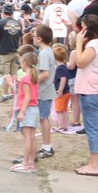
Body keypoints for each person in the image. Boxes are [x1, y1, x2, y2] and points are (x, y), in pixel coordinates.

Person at [73, 14, 98, 177]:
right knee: (91, 128)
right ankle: (92, 162)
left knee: (92, 129)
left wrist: (78, 44)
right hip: (94, 89)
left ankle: (94, 165)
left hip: (91, 90)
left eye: (82, 27)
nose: (80, 31)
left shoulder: (94, 44)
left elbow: (80, 62)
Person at [9, 49, 40, 173]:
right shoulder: (33, 77)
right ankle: (30, 162)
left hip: (27, 109)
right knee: (31, 137)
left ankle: (25, 163)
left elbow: (27, 96)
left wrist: (22, 111)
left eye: (21, 62)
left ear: (25, 63)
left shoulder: (26, 79)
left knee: (27, 138)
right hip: (34, 108)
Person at [32, 25, 57, 160]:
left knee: (43, 118)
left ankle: (46, 147)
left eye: (35, 36)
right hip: (45, 90)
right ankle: (46, 146)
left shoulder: (44, 54)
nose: (33, 38)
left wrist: (33, 82)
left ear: (40, 39)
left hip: (43, 90)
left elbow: (45, 73)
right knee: (43, 118)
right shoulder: (48, 51)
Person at [51, 44, 71, 130]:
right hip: (67, 91)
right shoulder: (64, 66)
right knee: (64, 110)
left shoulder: (59, 68)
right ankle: (65, 125)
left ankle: (60, 125)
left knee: (59, 110)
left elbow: (63, 79)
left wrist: (60, 90)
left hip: (62, 93)